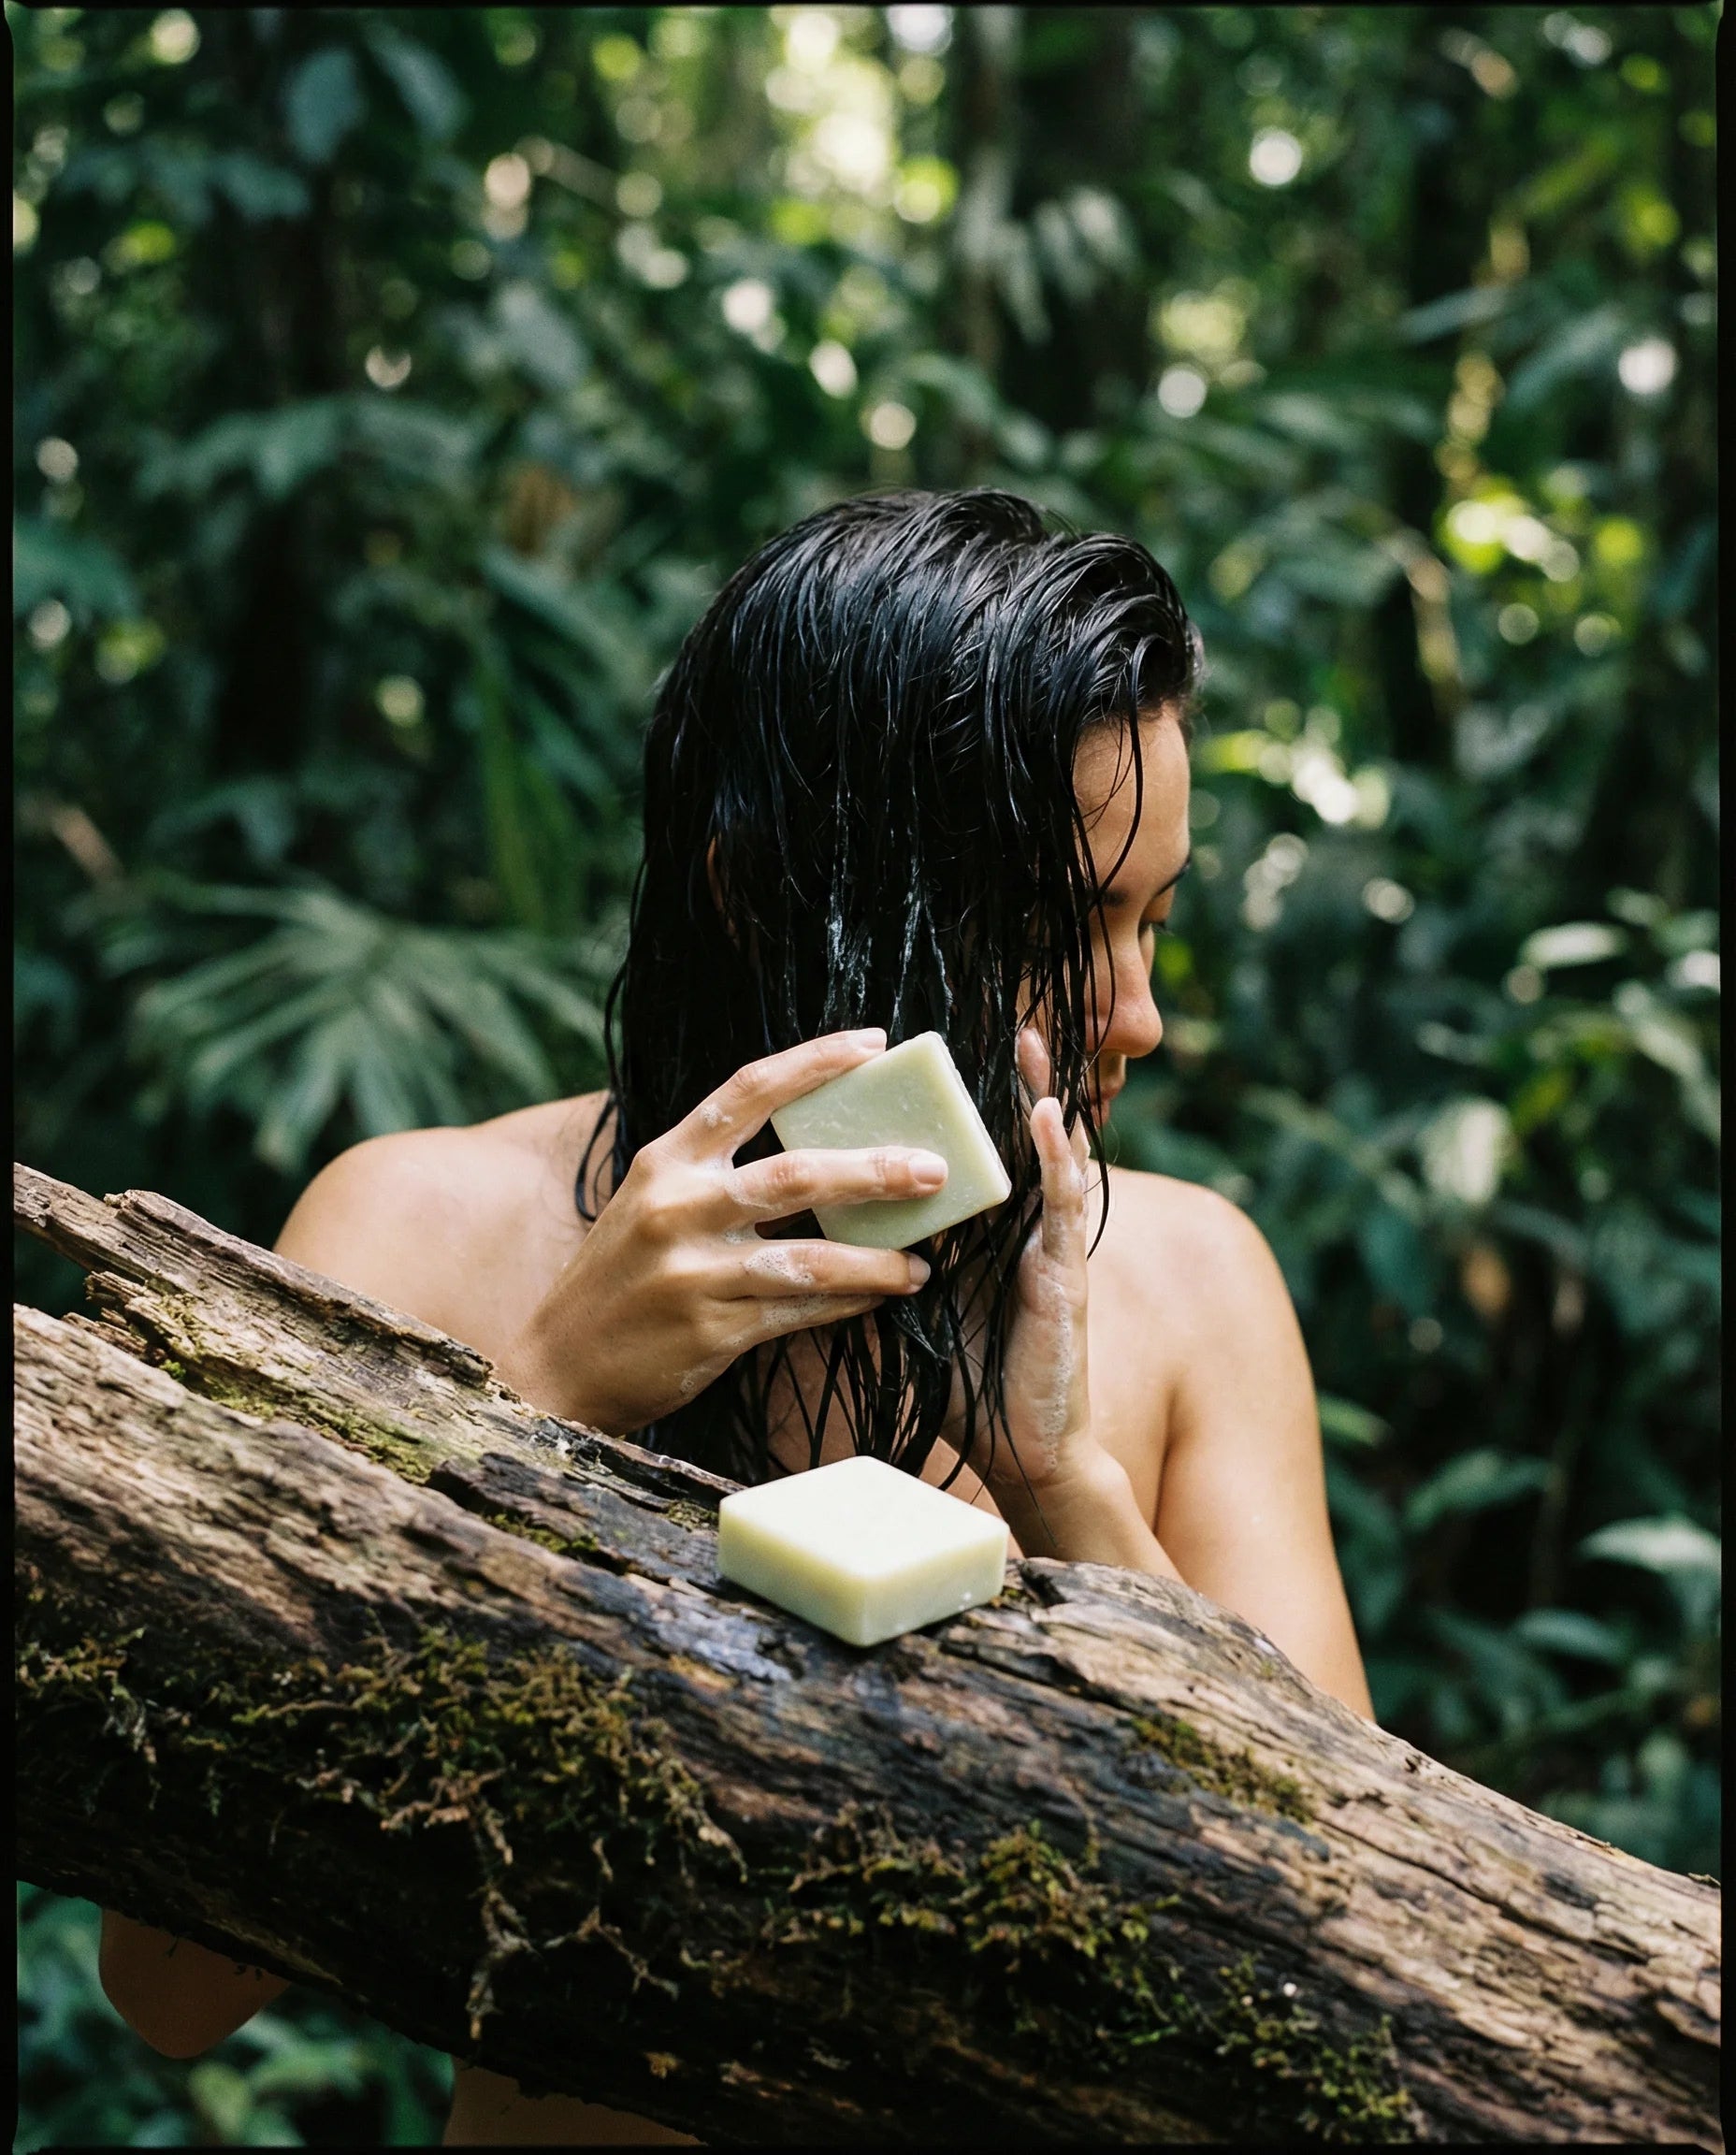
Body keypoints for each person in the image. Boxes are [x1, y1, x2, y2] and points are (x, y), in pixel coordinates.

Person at [98, 489, 1373, 2145]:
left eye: (1157, 919)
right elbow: (171, 1989)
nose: (1139, 1017)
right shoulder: (421, 1232)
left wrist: (1069, 1486)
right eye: (1066, 928)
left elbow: (1353, 1965)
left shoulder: (1187, 1284)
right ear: (764, 897)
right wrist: (528, 1414)